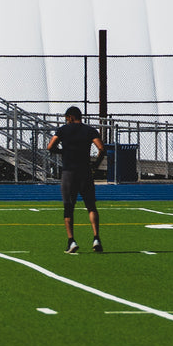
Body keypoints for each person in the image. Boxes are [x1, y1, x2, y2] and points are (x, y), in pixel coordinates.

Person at [48, 106, 105, 254]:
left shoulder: (63, 130)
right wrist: (96, 165)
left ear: (70, 117)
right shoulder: (89, 130)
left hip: (69, 172)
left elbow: (50, 146)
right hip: (85, 172)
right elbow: (101, 148)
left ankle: (71, 240)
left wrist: (62, 151)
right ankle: (96, 237)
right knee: (91, 206)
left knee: (68, 207)